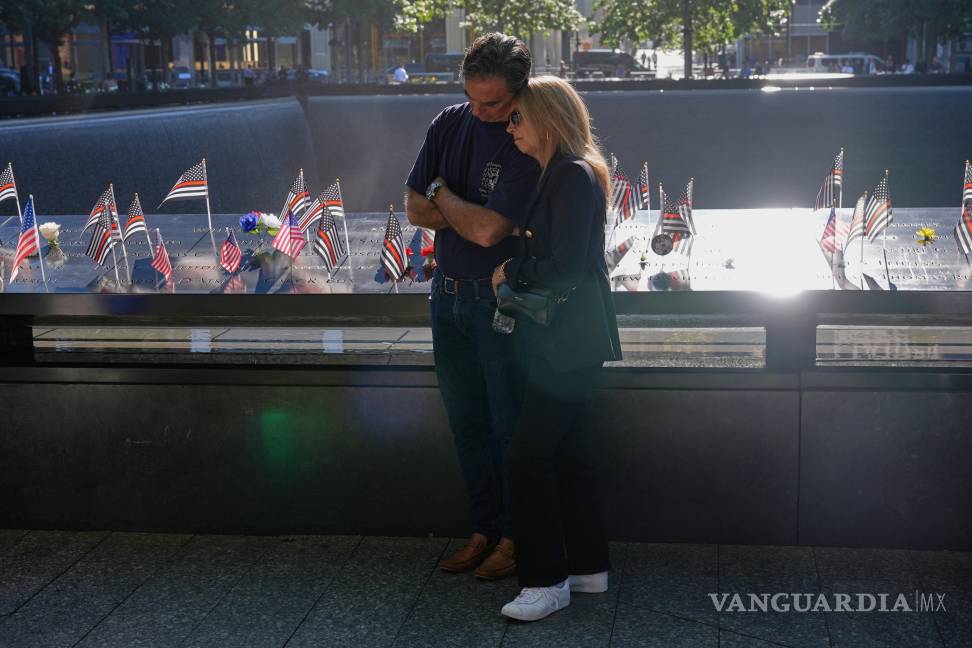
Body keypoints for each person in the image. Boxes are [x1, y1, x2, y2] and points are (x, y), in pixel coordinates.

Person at [405, 33, 540, 580]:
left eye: (494, 104)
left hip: (500, 299)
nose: (481, 113)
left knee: (509, 424)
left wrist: (442, 193)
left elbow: (489, 233)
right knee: (466, 422)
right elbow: (413, 209)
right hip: (448, 297)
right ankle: (484, 528)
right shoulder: (447, 122)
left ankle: (516, 535)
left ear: (520, 93)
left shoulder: (528, 134)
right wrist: (459, 207)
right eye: (473, 99)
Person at [491, 75, 622, 622]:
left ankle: (545, 582)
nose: (510, 126)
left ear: (546, 118)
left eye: (517, 117)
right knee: (571, 455)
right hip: (575, 339)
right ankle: (588, 569)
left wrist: (510, 270)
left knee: (526, 460)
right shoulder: (570, 172)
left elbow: (567, 263)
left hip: (563, 344)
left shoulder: (568, 174)